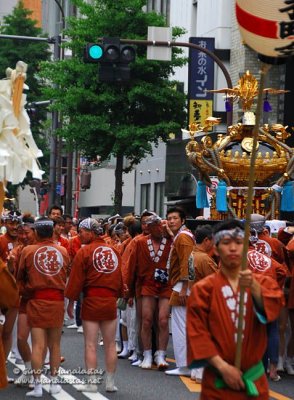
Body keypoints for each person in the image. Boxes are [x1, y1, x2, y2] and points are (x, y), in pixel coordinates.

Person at [187, 219, 284, 399]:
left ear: (246, 247)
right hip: (216, 384)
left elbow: (274, 310)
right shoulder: (203, 289)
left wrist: (254, 287)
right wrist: (223, 368)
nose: (233, 248)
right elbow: (197, 334)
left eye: (238, 243)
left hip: (253, 382)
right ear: (215, 249)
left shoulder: (263, 283)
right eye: (226, 243)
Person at [65, 218, 123, 393]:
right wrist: (120, 295)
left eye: (82, 231)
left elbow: (75, 281)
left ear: (90, 232)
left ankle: (91, 383)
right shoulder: (113, 251)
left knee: (90, 344)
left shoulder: (85, 252)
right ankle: (110, 383)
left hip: (91, 300)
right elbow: (120, 278)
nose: (80, 234)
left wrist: (71, 302)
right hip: (110, 302)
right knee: (111, 344)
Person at [17, 217, 70, 397]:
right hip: (56, 300)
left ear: (37, 232)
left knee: (38, 345)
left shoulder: (28, 251)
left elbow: (20, 276)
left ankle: (38, 386)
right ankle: (55, 383)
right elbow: (66, 275)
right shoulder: (63, 250)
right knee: (55, 345)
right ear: (52, 231)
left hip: (36, 301)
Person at [126, 214, 172, 369]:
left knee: (163, 320)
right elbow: (132, 267)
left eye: (162, 226)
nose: (161, 229)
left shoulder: (172, 241)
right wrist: (129, 291)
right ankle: (146, 354)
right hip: (146, 284)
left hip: (166, 284)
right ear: (150, 228)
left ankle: (161, 354)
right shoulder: (139, 242)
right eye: (157, 226)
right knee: (146, 319)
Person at [164, 206, 196, 378]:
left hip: (183, 287)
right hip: (184, 285)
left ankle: (184, 365)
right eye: (169, 218)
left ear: (183, 220)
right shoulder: (183, 235)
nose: (171, 221)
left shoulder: (183, 237)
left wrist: (185, 288)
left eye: (175, 218)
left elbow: (188, 263)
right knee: (184, 326)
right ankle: (187, 364)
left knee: (180, 328)